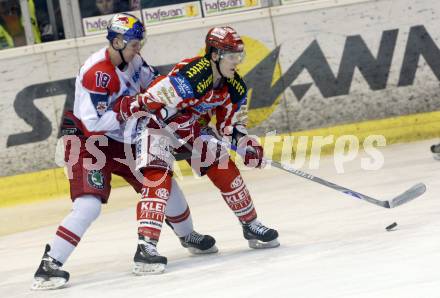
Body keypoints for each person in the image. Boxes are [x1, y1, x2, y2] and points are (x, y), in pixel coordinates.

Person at [31, 13, 216, 290]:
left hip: (124, 140)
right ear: (117, 41)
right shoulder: (99, 73)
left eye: (139, 43)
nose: (138, 48)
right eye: (133, 44)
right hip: (89, 144)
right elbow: (93, 123)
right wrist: (131, 108)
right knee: (89, 206)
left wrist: (177, 107)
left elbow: (155, 86)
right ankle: (49, 264)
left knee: (160, 183)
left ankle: (187, 235)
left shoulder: (134, 60)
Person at [115, 26, 280, 274]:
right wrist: (180, 123)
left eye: (239, 55)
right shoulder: (192, 75)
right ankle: (146, 246)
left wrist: (246, 145)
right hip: (154, 125)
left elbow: (231, 127)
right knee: (157, 178)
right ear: (214, 55)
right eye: (231, 55)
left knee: (222, 164)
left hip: (192, 128)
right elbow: (148, 104)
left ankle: (251, 225)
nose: (237, 61)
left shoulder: (235, 86)